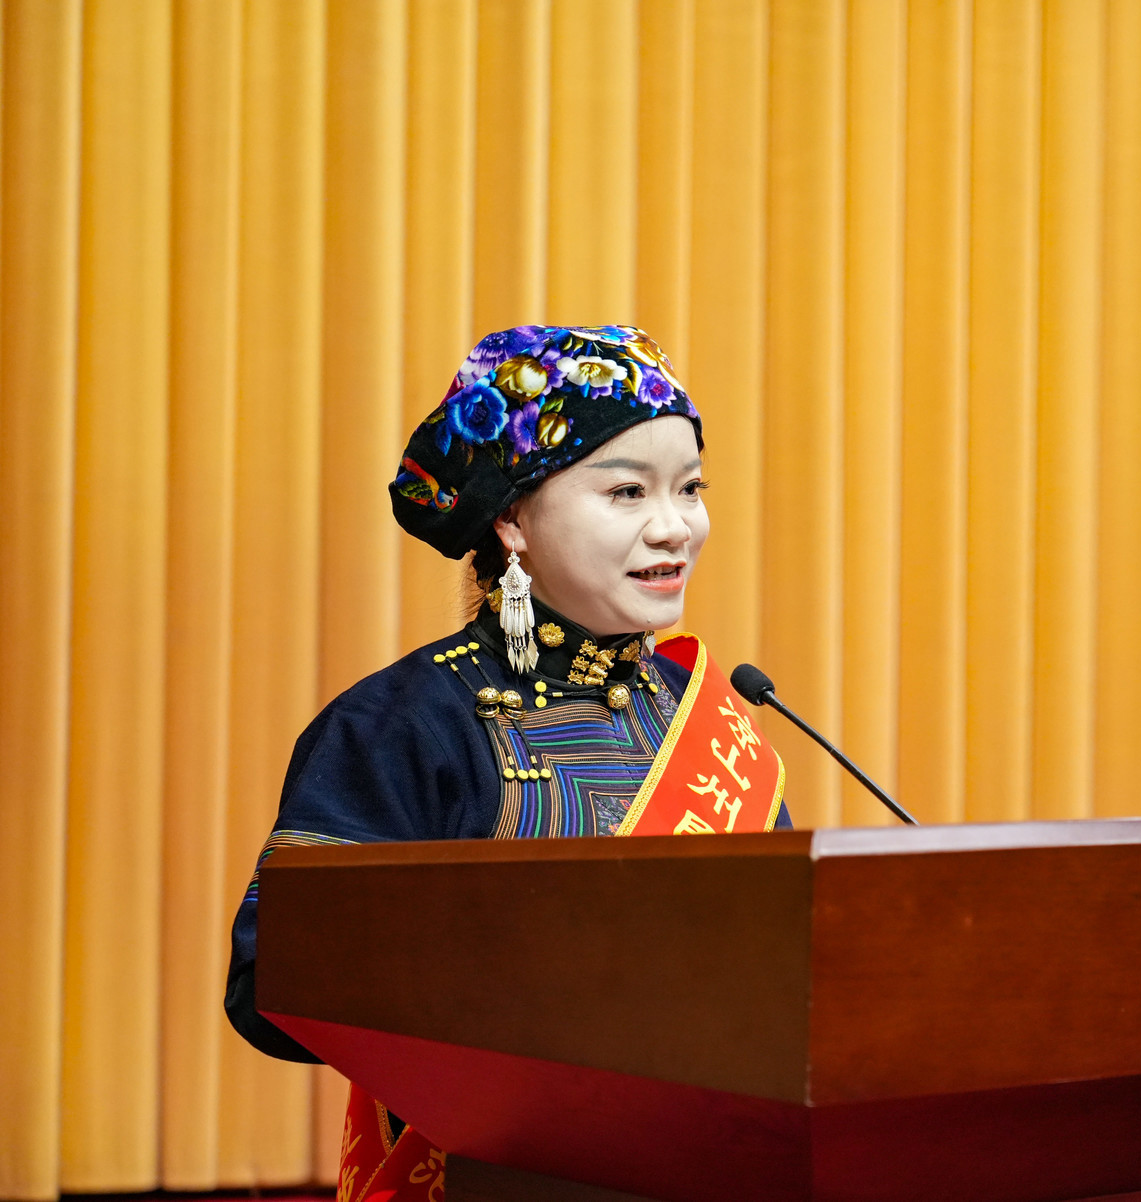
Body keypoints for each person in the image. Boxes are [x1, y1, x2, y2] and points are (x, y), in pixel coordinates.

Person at [224, 324, 790, 1199]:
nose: (675, 527)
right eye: (628, 491)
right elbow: (273, 984)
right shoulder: (404, 724)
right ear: (512, 519)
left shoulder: (705, 718)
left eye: (690, 489)